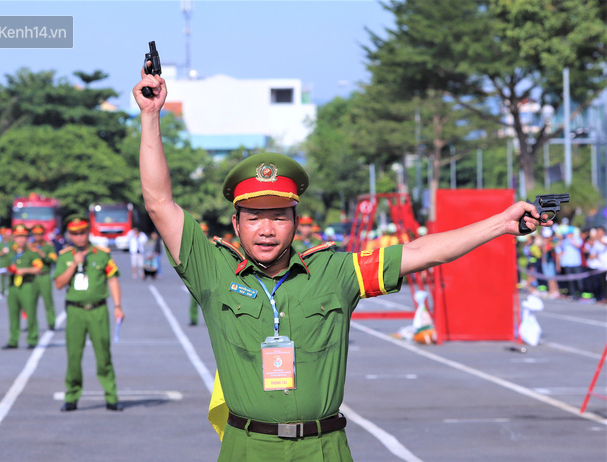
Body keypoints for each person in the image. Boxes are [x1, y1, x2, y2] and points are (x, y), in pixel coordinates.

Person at [134, 67, 554, 461]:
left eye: (279, 217)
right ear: (236, 223)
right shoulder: (215, 270)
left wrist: (500, 223)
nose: (266, 230)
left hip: (324, 447)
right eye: (254, 217)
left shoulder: (335, 272)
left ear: (296, 222)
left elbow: (423, 251)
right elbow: (158, 203)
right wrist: (151, 115)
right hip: (248, 448)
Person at [53, 214, 124, 412]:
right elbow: (58, 284)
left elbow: (112, 279)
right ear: (70, 235)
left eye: (82, 233)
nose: (79, 237)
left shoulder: (102, 254)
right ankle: (72, 396)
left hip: (98, 310)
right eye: (74, 234)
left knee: (104, 355)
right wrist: (74, 264)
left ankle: (111, 396)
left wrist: (118, 306)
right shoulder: (65, 256)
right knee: (74, 356)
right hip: (75, 312)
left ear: (88, 232)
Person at [1, 225, 43, 350]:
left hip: (27, 285)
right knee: (13, 314)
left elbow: (39, 268)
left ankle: (32, 339)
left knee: (30, 313)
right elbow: (3, 267)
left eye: (23, 237)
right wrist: (7, 271)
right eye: (18, 237)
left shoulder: (31, 252)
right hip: (13, 286)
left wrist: (25, 270)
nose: (20, 240)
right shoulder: (10, 253)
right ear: (14, 238)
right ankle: (13, 339)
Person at [30, 225, 58, 330]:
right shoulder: (29, 246)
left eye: (39, 234)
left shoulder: (48, 246)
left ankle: (51, 322)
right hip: (32, 278)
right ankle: (31, 324)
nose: (37, 237)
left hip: (44, 276)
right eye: (35, 235)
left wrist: (43, 255)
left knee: (48, 301)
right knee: (30, 303)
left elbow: (54, 259)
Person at [0, 228, 14, 294]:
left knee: (10, 276)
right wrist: (2, 252)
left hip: (10, 262)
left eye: (5, 234)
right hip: (3, 262)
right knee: (2, 276)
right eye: (3, 234)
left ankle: (10, 289)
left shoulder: (12, 243)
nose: (4, 236)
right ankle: (2, 290)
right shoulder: (0, 244)